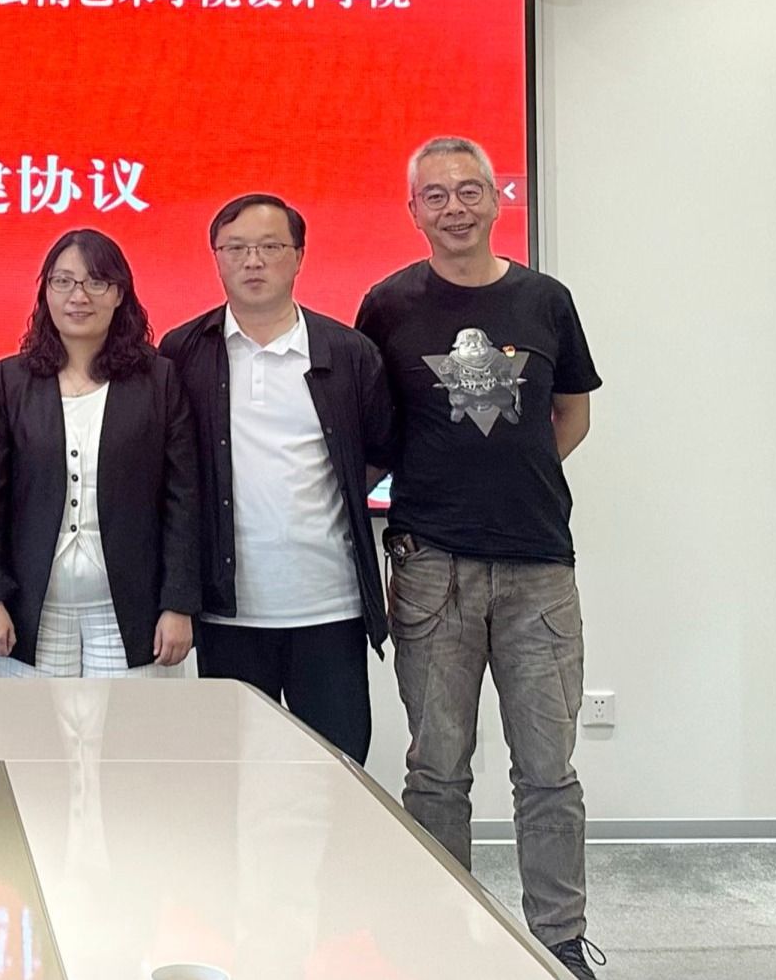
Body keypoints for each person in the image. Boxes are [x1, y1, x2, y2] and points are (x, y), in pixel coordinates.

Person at [354, 136, 604, 978]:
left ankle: (558, 940)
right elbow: (371, 429)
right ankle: (440, 937)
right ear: (413, 210)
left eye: (469, 190)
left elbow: (570, 415)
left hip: (539, 566)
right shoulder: (387, 305)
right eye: (435, 194)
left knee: (548, 770)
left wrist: (508, 480)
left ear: (498, 200)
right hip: (431, 565)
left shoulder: (546, 301)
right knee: (436, 768)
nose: (454, 207)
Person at [162, 194, 394, 762]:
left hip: (330, 606)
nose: (253, 261)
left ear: (299, 257)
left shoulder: (348, 352)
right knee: (235, 772)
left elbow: (380, 451)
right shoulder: (182, 352)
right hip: (227, 610)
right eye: (236, 248)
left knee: (338, 769)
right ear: (216, 258)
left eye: (270, 247)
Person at [0, 229, 202, 677]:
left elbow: (183, 498)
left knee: (128, 725)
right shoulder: (11, 381)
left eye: (96, 282)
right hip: (31, 609)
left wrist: (178, 603)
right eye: (63, 281)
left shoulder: (158, 380)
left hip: (131, 610)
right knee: (32, 725)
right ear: (46, 292)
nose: (79, 296)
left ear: (119, 294)